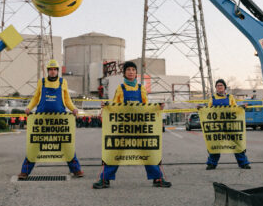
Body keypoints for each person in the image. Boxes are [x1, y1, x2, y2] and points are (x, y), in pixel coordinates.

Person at [93, 61, 171, 189]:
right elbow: (116, 107)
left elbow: (146, 107)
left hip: (140, 127)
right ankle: (104, 179)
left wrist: (157, 107)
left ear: (136, 73)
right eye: (128, 70)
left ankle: (157, 178)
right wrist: (107, 107)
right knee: (115, 152)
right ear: (124, 73)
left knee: (148, 152)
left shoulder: (141, 88)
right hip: (124, 127)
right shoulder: (120, 88)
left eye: (133, 70)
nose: (131, 72)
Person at [18, 59, 84, 179]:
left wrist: (73, 109)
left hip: (60, 120)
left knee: (66, 144)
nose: (53, 72)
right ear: (47, 71)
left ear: (57, 71)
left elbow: (67, 99)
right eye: (50, 70)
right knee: (35, 144)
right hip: (41, 120)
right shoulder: (41, 82)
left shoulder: (63, 82)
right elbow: (35, 98)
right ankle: (25, 171)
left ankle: (76, 169)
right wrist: (29, 108)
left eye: (55, 70)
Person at [204, 79, 251, 170]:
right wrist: (201, 109)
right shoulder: (212, 99)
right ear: (216, 88)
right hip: (217, 126)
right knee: (215, 144)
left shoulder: (230, 97)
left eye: (221, 85)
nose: (219, 87)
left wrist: (241, 107)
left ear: (225, 87)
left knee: (237, 143)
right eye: (217, 85)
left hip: (230, 125)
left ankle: (243, 163)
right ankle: (211, 164)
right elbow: (208, 111)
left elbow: (235, 109)